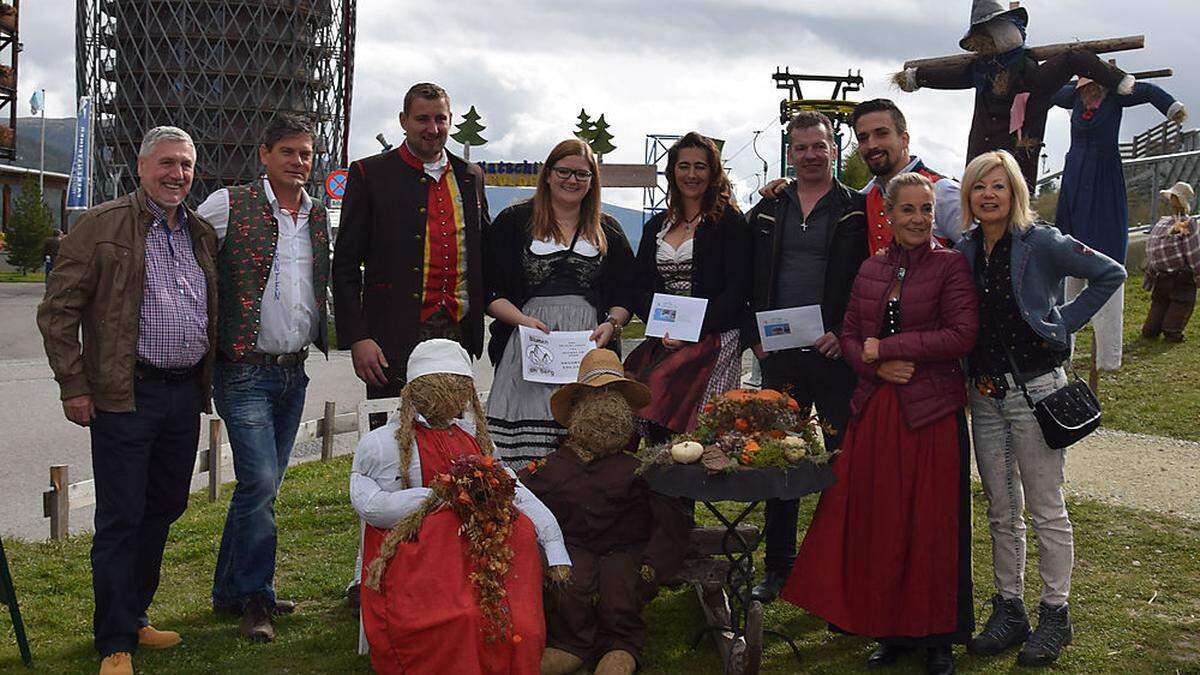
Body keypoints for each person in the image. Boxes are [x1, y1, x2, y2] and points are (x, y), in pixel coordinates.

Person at [37, 126, 218, 675]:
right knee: (121, 516)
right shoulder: (100, 226)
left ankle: (136, 615)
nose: (176, 175)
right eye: (166, 163)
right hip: (125, 394)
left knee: (164, 508)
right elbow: (57, 313)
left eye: (185, 165)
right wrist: (75, 384)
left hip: (183, 392)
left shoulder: (200, 233)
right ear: (141, 168)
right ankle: (114, 641)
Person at [781, 173, 978, 674]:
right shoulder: (871, 269)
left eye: (926, 210)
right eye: (907, 210)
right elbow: (849, 335)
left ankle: (936, 639)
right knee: (883, 521)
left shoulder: (951, 266)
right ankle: (890, 629)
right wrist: (875, 365)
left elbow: (961, 334)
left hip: (931, 412)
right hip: (878, 408)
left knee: (932, 524)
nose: (917, 219)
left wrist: (890, 348)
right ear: (887, 214)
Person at [957, 150, 1124, 667]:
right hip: (984, 397)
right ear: (969, 195)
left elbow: (1109, 272)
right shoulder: (963, 248)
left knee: (1047, 508)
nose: (989, 195)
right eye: (980, 187)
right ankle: (1009, 608)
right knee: (1002, 511)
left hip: (1036, 391)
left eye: (999, 186)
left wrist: (1062, 322)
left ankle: (1056, 612)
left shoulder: (1041, 240)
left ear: (1015, 193)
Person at [350, 339, 570, 675]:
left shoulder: (475, 439)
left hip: (480, 551)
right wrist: (433, 498)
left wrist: (552, 544)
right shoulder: (382, 445)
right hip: (423, 559)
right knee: (462, 616)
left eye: (456, 390)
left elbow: (514, 488)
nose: (448, 400)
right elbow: (371, 505)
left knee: (520, 534)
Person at [196, 114, 331, 641]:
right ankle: (257, 597)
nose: (299, 162)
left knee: (264, 485)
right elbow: (187, 259)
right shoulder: (229, 203)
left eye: (306, 153)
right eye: (289, 152)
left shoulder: (317, 214)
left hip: (292, 370)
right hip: (244, 370)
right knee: (257, 482)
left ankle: (229, 592)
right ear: (265, 153)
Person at [742, 111, 868, 603]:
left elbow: (868, 279)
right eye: (802, 148)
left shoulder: (857, 209)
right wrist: (753, 334)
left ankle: (841, 563)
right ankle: (779, 568)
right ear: (789, 153)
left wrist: (844, 332)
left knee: (841, 460)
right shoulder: (769, 209)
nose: (811, 155)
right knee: (781, 460)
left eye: (820, 146)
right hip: (779, 354)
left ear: (834, 150)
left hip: (835, 354)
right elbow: (747, 269)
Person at [523, 349, 689, 675]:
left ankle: (619, 645)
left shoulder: (640, 470)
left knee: (620, 588)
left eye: (612, 398)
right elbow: (521, 504)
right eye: (595, 398)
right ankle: (570, 644)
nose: (604, 409)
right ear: (576, 410)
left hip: (624, 551)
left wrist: (653, 564)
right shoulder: (549, 467)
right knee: (569, 585)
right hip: (572, 549)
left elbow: (670, 521)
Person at [333, 82, 489, 421]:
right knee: (391, 441)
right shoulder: (369, 174)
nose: (432, 129)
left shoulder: (470, 176)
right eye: (422, 119)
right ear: (403, 120)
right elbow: (345, 266)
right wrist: (358, 337)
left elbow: (483, 253)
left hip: (457, 334)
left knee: (453, 439)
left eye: (440, 119)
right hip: (391, 336)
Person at [483, 138, 635, 465]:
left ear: (593, 181)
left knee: (586, 439)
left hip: (588, 349)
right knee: (524, 449)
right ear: (548, 174)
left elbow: (627, 293)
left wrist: (611, 324)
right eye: (564, 171)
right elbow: (488, 290)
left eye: (582, 174)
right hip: (528, 344)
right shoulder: (514, 221)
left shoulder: (608, 229)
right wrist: (523, 321)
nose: (572, 180)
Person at [897, 0, 1133, 189]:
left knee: (1014, 214)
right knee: (978, 206)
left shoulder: (1031, 75)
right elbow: (950, 75)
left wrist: (1116, 79)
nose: (988, 41)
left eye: (991, 33)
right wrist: (918, 76)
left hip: (1016, 162)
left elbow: (1073, 58)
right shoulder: (980, 70)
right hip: (981, 156)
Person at [1052, 78, 1187, 371]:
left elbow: (1149, 91)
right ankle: (1060, 352)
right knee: (1067, 265)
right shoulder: (1073, 98)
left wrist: (1172, 109)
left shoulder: (1116, 95)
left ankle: (1109, 358)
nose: (1091, 90)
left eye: (1095, 84)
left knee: (1108, 264)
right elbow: (1047, 90)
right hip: (1075, 179)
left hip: (1104, 181)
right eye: (1086, 85)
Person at [625, 132, 750, 440]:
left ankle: (682, 485)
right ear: (672, 172)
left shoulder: (728, 221)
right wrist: (661, 327)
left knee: (664, 392)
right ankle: (652, 481)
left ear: (713, 172)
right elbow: (639, 285)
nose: (691, 175)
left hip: (714, 333)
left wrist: (691, 329)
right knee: (630, 386)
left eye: (700, 166)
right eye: (684, 166)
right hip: (667, 333)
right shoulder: (658, 225)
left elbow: (737, 289)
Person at [762, 99, 964, 254]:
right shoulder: (866, 196)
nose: (872, 145)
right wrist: (791, 185)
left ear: (904, 139)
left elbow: (980, 254)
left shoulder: (941, 190)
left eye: (881, 134)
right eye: (863, 138)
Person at [1142, 181, 1200, 342]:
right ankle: (1172, 330)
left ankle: (1150, 330)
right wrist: (1198, 276)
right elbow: (1193, 252)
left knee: (1159, 302)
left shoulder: (1161, 222)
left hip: (1159, 274)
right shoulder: (1189, 223)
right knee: (1183, 301)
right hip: (1179, 276)